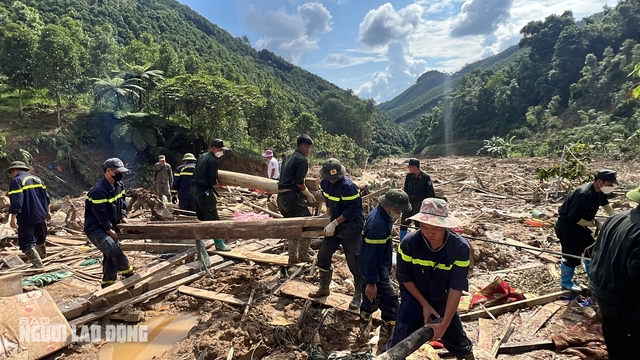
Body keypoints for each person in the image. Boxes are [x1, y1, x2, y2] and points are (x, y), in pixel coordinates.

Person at [389, 198, 474, 360]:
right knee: (398, 345)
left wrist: (444, 323)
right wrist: (424, 305)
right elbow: (404, 278)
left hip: (443, 299)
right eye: (425, 227)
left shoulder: (460, 248)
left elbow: (456, 288)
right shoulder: (408, 244)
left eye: (435, 228)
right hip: (413, 298)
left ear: (445, 227)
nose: (429, 233)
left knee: (460, 344)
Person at [590, 186, 640, 360]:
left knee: (614, 340)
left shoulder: (616, 218)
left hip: (603, 290)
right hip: (624, 303)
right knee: (629, 348)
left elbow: (594, 252)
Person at [358, 189, 411, 353]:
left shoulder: (381, 214)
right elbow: (371, 256)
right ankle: (385, 347)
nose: (399, 214)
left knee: (369, 301)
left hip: (372, 270)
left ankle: (362, 336)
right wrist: (372, 282)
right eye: (398, 211)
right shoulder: (378, 225)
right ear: (389, 206)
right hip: (377, 274)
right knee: (393, 308)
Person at [309, 158, 365, 310]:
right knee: (323, 257)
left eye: (336, 178)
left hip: (351, 227)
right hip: (335, 225)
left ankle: (359, 294)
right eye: (330, 178)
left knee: (354, 263)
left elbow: (351, 210)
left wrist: (334, 223)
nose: (333, 180)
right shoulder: (325, 183)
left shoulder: (349, 187)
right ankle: (324, 287)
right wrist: (328, 218)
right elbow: (329, 201)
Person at [555, 169, 617, 291]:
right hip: (568, 227)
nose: (611, 187)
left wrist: (614, 217)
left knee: (592, 250)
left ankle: (592, 278)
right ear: (599, 182)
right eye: (610, 184)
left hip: (581, 227)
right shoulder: (583, 194)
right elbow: (573, 217)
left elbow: (606, 204)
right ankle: (566, 282)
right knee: (571, 256)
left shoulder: (599, 191)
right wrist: (592, 223)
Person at [84, 158, 134, 288]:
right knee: (113, 250)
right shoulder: (98, 191)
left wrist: (123, 215)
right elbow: (100, 214)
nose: (120, 174)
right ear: (108, 171)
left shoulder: (119, 186)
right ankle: (130, 275)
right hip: (96, 228)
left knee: (110, 257)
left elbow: (123, 202)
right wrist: (108, 230)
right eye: (118, 172)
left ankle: (107, 286)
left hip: (112, 226)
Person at [277, 134, 317, 264]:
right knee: (309, 225)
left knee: (294, 227)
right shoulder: (301, 160)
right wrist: (307, 193)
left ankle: (292, 257)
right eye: (309, 148)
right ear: (304, 147)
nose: (309, 151)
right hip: (291, 197)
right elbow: (300, 183)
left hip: (281, 198)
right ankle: (303, 255)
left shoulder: (287, 157)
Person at [7, 161, 51, 270]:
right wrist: (48, 211)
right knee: (40, 240)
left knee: (26, 244)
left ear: (13, 171)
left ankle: (38, 266)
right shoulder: (38, 179)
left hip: (27, 217)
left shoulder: (17, 180)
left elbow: (17, 201)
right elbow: (47, 197)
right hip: (41, 215)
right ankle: (44, 259)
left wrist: (12, 219)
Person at [192, 139, 231, 251]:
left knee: (202, 218)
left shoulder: (202, 157)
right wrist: (219, 183)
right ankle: (219, 243)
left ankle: (202, 243)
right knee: (213, 217)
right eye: (220, 149)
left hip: (196, 191)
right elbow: (211, 181)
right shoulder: (213, 161)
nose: (221, 152)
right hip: (205, 192)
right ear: (214, 149)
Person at [400, 158, 435, 241]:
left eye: (410, 167)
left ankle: (419, 242)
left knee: (418, 224)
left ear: (415, 167)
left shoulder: (425, 178)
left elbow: (430, 194)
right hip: (409, 203)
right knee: (404, 223)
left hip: (420, 204)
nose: (409, 168)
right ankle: (401, 242)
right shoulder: (409, 177)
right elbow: (406, 190)